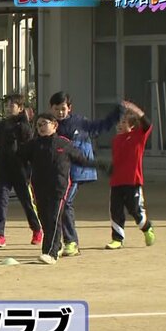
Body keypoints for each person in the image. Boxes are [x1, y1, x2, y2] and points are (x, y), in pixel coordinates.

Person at [50, 91, 124, 257]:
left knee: (65, 203)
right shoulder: (50, 125)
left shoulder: (79, 122)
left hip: (77, 172)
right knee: (57, 205)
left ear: (69, 108)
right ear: (51, 108)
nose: (60, 112)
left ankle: (71, 242)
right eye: (56, 109)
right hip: (60, 172)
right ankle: (59, 242)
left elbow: (100, 127)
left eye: (63, 109)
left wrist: (117, 113)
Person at [18, 113, 97, 265]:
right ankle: (57, 246)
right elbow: (19, 158)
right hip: (39, 187)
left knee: (54, 219)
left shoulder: (64, 143)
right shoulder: (33, 145)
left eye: (44, 124)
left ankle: (50, 253)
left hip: (59, 188)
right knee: (45, 219)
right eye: (38, 125)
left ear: (54, 125)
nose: (41, 127)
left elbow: (81, 159)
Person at [0, 93, 42, 248]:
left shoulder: (24, 125)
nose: (8, 108)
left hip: (21, 171)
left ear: (20, 108)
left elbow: (29, 144)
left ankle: (37, 229)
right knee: (1, 202)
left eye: (12, 105)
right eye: (7, 105)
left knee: (27, 202)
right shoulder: (3, 125)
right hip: (4, 170)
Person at [105, 101, 155, 249]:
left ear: (132, 125)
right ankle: (117, 239)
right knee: (115, 210)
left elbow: (147, 124)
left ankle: (146, 228)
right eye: (118, 122)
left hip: (133, 182)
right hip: (116, 182)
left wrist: (135, 109)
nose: (119, 125)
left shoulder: (138, 136)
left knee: (135, 210)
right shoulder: (115, 140)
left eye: (123, 122)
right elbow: (118, 159)